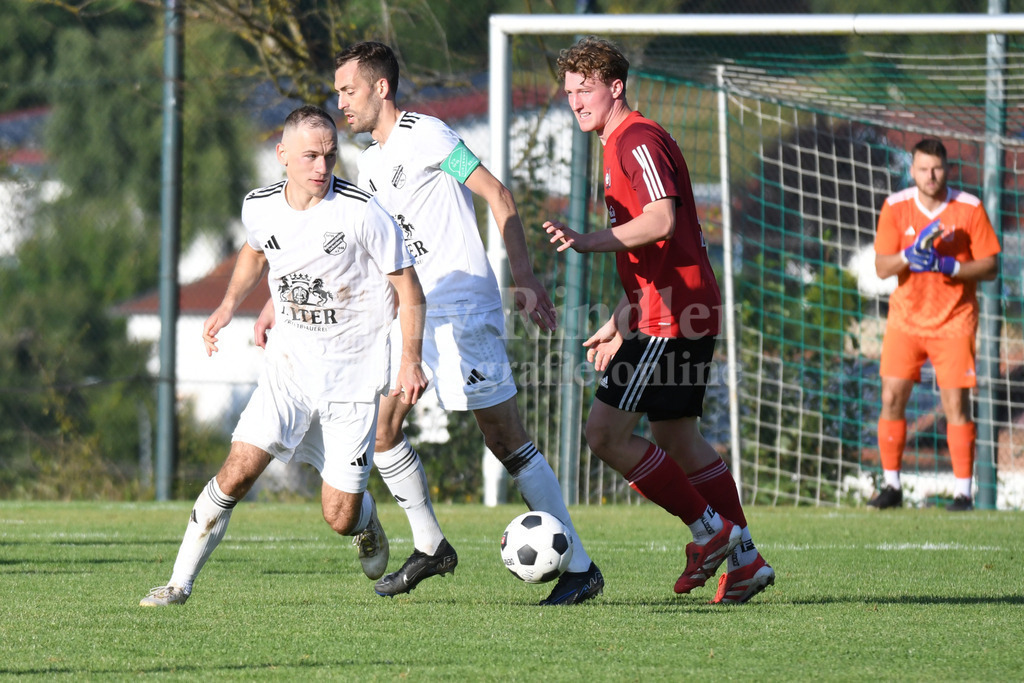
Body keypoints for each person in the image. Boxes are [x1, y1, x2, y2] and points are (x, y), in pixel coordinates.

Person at [259, 41, 603, 606]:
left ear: (381, 88)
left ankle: (581, 567)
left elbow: (497, 193)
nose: (339, 100)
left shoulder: (429, 135)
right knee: (384, 427)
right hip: (417, 312)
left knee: (504, 436)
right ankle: (431, 546)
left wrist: (525, 277)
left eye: (348, 89)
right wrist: (277, 300)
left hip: (464, 308)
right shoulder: (368, 166)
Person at [140, 105, 428, 607]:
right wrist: (229, 304)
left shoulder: (362, 213)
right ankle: (177, 584)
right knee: (237, 470)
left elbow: (411, 292)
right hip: (289, 372)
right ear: (283, 156)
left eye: (330, 156)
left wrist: (409, 360)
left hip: (353, 383)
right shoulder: (260, 206)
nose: (322, 166)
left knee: (338, 515)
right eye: (311, 156)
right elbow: (257, 250)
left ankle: (365, 521)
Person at [543, 36, 774, 604]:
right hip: (673, 309)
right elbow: (656, 256)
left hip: (671, 318)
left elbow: (662, 221)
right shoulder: (617, 142)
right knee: (677, 436)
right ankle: (744, 560)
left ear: (615, 87)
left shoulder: (635, 139)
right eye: (569, 91)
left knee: (604, 434)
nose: (575, 101)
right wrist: (621, 319)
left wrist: (586, 241)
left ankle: (709, 531)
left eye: (586, 89)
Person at [869, 138, 1000, 512]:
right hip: (906, 321)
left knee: (955, 403)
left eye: (937, 168)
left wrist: (952, 267)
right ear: (912, 170)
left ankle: (963, 493)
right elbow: (881, 268)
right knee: (891, 397)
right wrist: (910, 256)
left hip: (954, 321)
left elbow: (990, 265)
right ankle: (892, 486)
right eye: (923, 168)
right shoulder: (895, 207)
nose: (930, 175)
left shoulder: (969, 208)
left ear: (947, 169)